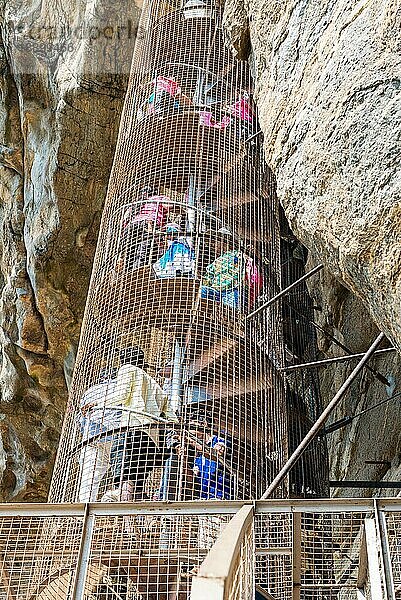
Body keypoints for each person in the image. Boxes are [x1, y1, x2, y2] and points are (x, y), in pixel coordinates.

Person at [106, 346, 178, 502]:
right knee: (137, 483)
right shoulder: (156, 385)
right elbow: (172, 418)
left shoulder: (127, 369)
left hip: (133, 427)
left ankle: (125, 518)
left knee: (125, 476)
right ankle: (133, 525)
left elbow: (122, 395)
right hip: (152, 440)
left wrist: (98, 403)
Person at [77, 367, 118, 502]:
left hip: (93, 438)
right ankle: (117, 504)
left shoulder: (89, 392)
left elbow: (80, 420)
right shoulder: (119, 387)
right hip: (116, 436)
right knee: (123, 474)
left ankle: (83, 512)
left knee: (89, 479)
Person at [119, 187, 171, 270]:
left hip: (132, 224)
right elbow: (169, 206)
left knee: (129, 251)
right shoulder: (159, 198)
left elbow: (126, 216)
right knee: (143, 250)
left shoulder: (139, 202)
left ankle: (126, 271)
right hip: (148, 222)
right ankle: (137, 273)